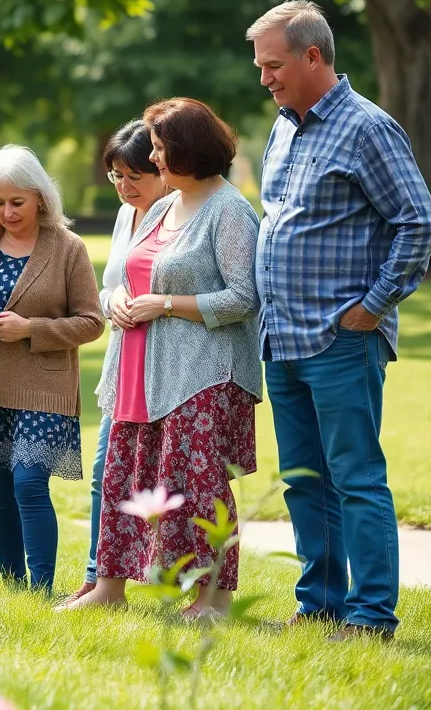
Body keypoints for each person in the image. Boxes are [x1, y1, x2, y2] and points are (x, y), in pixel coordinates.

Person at [247, 0, 431, 641]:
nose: (264, 78)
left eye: (273, 65)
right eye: (260, 66)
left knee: (355, 479)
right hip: (283, 338)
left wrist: (373, 306)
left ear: (313, 56)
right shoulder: (283, 127)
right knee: (304, 481)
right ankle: (321, 604)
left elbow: (420, 223)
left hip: (341, 340)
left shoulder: (367, 128)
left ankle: (371, 614)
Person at [69, 98, 261, 618]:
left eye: (158, 148)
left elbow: (245, 298)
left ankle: (213, 599)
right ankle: (109, 587)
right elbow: (131, 277)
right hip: (140, 367)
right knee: (122, 476)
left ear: (187, 150)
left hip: (204, 373)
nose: (152, 159)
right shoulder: (160, 207)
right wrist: (120, 301)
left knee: (198, 486)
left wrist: (167, 304)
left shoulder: (229, 211)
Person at [0, 144, 104, 594]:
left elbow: (92, 322)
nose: (7, 212)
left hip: (43, 387)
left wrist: (31, 328)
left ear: (41, 198)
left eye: (17, 202)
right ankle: (14, 589)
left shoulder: (68, 248)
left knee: (29, 484)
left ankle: (42, 589)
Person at [56, 120, 169, 610]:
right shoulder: (127, 214)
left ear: (162, 168)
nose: (123, 186)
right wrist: (113, 300)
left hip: (169, 366)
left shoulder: (179, 212)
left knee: (171, 478)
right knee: (106, 470)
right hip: (124, 363)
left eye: (133, 176)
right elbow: (108, 287)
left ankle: (183, 584)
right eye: (116, 176)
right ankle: (98, 579)